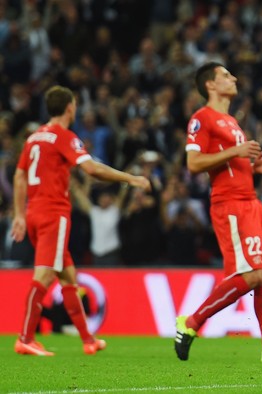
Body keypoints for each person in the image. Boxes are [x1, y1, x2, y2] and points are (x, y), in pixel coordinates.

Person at [174, 62, 262, 363]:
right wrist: (236, 153)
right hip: (229, 204)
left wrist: (252, 168)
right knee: (249, 275)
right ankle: (191, 323)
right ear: (210, 85)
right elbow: (194, 164)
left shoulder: (231, 121)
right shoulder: (202, 118)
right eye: (225, 76)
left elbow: (228, 165)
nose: (233, 78)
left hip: (251, 202)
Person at [12, 85, 151, 356]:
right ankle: (25, 338)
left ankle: (88, 340)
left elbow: (19, 176)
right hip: (54, 213)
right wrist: (130, 178)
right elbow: (91, 168)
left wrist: (19, 213)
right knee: (44, 273)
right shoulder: (64, 137)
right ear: (70, 108)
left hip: (33, 212)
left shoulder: (34, 138)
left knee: (68, 278)